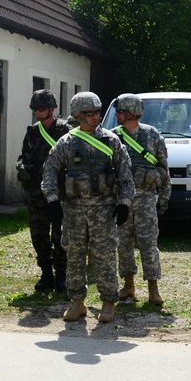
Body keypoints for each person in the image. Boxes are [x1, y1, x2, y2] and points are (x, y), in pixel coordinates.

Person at [41, 91, 135, 323]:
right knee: (74, 256)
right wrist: (52, 199)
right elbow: (50, 172)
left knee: (104, 257)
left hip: (104, 209)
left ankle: (108, 303)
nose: (95, 117)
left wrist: (124, 203)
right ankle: (77, 302)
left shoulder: (110, 140)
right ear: (78, 115)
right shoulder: (67, 142)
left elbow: (125, 175)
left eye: (97, 112)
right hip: (73, 210)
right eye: (89, 113)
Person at [113, 93, 172, 306]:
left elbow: (164, 169)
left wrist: (164, 196)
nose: (117, 115)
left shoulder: (153, 136)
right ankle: (128, 285)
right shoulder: (112, 137)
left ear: (131, 113)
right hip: (123, 201)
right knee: (123, 243)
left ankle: (153, 288)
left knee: (148, 243)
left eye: (120, 111)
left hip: (146, 198)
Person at [17, 89, 70, 292]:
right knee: (38, 235)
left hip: (59, 193)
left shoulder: (65, 131)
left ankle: (61, 275)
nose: (37, 112)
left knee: (61, 236)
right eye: (34, 109)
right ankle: (46, 273)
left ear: (51, 109)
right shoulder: (32, 132)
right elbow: (24, 156)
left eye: (41, 108)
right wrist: (21, 167)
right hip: (36, 193)